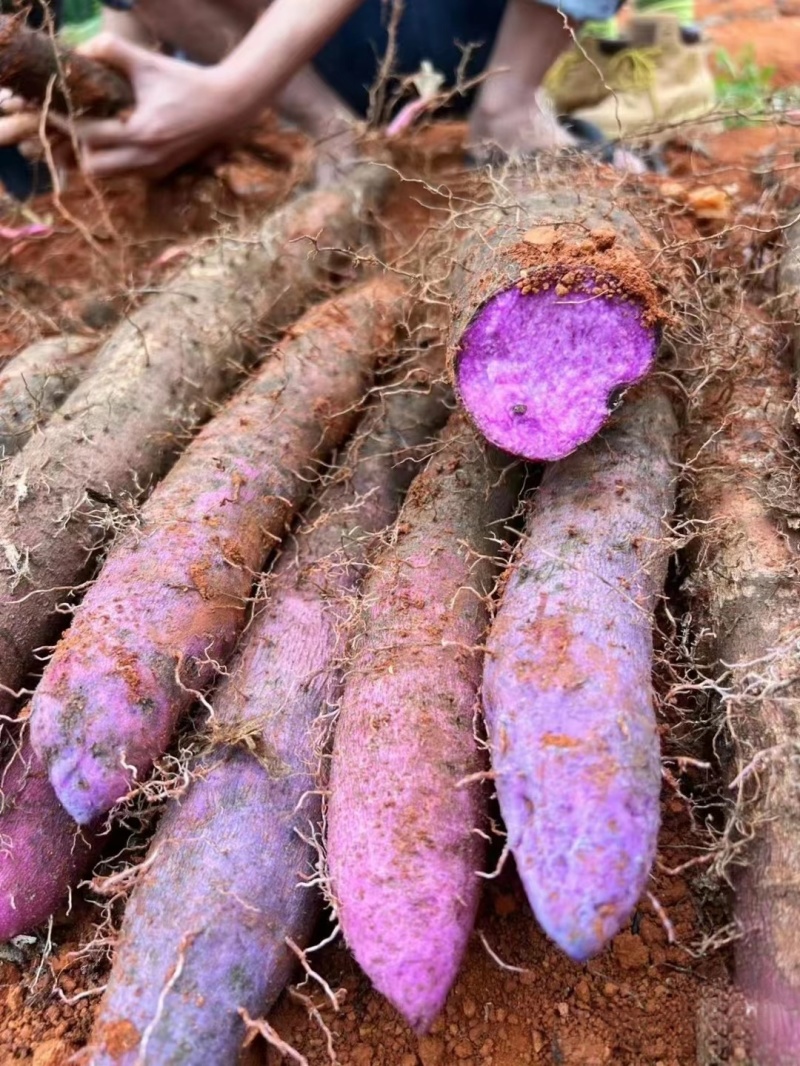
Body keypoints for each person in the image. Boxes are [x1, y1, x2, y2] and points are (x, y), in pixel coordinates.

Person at [55, 0, 626, 179]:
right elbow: (123, 27)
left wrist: (236, 88)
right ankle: (331, 134)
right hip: (303, 71)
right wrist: (95, 92)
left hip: (469, 29)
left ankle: (509, 109)